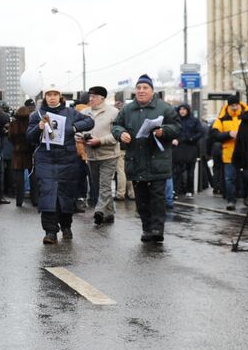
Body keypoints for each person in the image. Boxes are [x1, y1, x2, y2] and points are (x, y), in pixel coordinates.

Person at [112, 75, 179, 243]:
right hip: (136, 160)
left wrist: (163, 131)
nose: (141, 91)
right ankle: (147, 228)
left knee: (157, 197)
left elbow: (177, 127)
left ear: (152, 91)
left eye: (145, 88)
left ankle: (157, 229)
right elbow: (116, 126)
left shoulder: (165, 108)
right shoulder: (127, 110)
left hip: (157, 159)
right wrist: (121, 134)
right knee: (141, 199)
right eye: (139, 88)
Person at [29, 82, 93, 243]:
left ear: (60, 96)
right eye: (49, 95)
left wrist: (74, 128)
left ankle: (66, 226)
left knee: (66, 195)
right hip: (45, 159)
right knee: (47, 195)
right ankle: (50, 231)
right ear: (45, 97)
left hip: (67, 160)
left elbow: (89, 122)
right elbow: (29, 137)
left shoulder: (70, 112)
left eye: (55, 95)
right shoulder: (37, 114)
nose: (52, 98)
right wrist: (38, 127)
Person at [81, 85, 120, 226]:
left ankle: (99, 211)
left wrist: (100, 141)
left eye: (94, 97)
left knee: (104, 184)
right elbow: (78, 130)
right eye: (90, 96)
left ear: (102, 98)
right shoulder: (85, 112)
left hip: (109, 155)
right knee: (98, 185)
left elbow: (117, 134)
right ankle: (109, 212)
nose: (90, 99)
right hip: (91, 155)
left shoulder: (114, 112)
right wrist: (80, 137)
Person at [210, 95, 247, 210]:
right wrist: (229, 134)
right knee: (229, 178)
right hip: (229, 153)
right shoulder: (222, 118)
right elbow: (214, 135)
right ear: (229, 105)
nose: (235, 107)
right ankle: (231, 201)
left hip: (246, 153)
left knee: (247, 177)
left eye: (236, 105)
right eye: (232, 105)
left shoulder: (246, 116)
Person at [172, 103, 203, 197]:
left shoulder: (194, 120)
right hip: (178, 147)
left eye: (184, 109)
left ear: (188, 110)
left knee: (190, 171)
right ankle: (176, 190)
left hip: (191, 147)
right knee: (176, 171)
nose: (182, 111)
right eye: (180, 109)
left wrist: (191, 139)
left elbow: (200, 132)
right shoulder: (176, 120)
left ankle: (189, 190)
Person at [7, 102, 35, 207]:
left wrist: (16, 145)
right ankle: (35, 199)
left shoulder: (13, 124)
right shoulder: (31, 123)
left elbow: (10, 138)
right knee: (33, 176)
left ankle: (19, 200)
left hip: (17, 152)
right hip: (30, 151)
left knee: (19, 179)